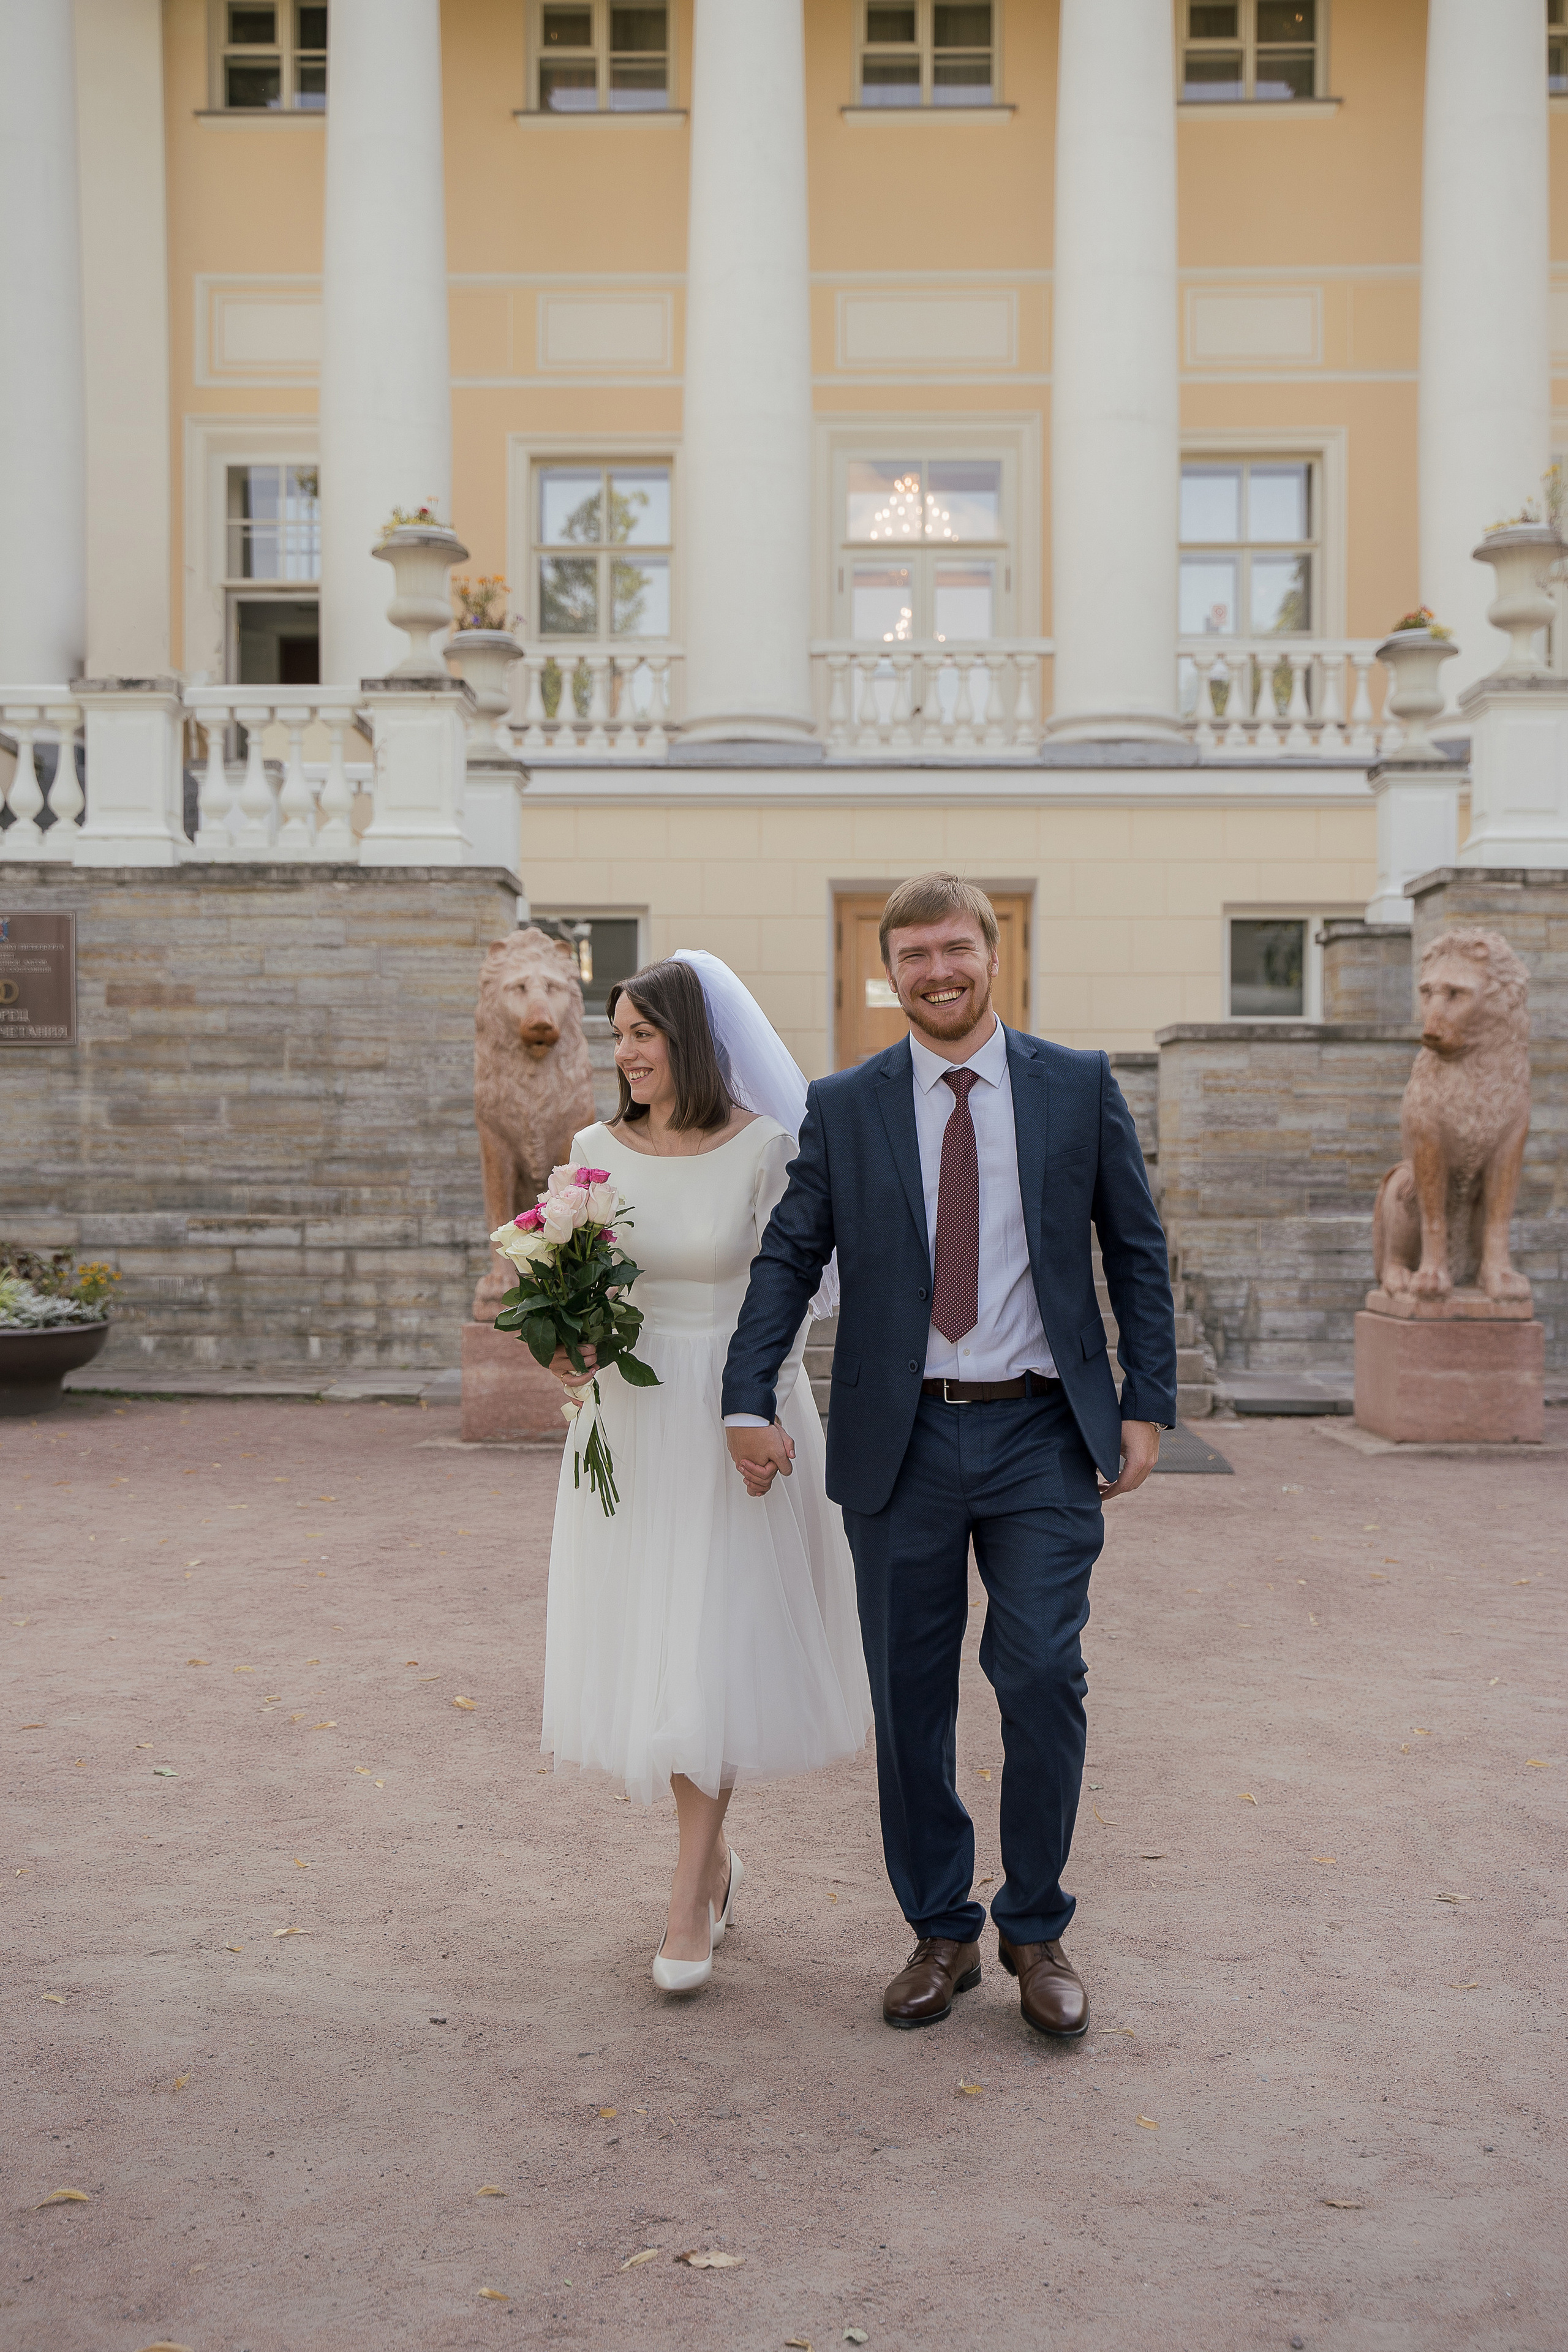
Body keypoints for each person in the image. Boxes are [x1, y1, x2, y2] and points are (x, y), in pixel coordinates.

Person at [723, 875, 1177, 2038]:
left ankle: (1036, 1924)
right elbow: (787, 1257)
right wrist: (743, 1397)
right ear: (893, 971)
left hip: (1038, 1427)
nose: (938, 971)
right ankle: (941, 1929)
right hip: (902, 1435)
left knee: (1038, 1671)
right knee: (909, 1694)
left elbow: (1135, 1245)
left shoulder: (1074, 1085)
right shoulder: (848, 1102)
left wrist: (1147, 1403)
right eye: (914, 955)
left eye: (956, 948)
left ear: (991, 953)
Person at [539, 954, 872, 1996]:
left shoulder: (768, 1149)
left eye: (643, 1032)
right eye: (618, 1033)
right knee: (662, 1640)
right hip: (630, 1422)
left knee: (716, 1639)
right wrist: (561, 1339)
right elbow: (569, 1282)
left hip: (737, 1411)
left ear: (690, 1038)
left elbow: (790, 1291)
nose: (626, 1053)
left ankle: (689, 1892)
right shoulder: (592, 1151)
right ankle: (715, 1864)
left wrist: (756, 1409)